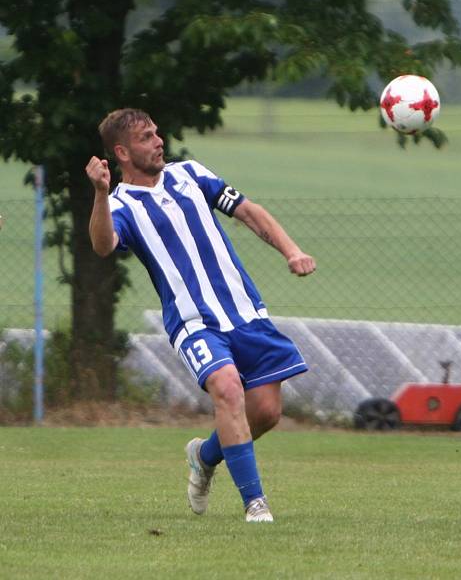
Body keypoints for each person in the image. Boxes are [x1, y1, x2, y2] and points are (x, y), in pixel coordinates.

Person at [86, 108, 316, 523]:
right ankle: (255, 505)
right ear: (121, 151)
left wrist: (292, 250)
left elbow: (247, 211)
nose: (158, 141)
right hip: (193, 323)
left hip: (245, 312)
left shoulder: (190, 173)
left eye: (157, 132)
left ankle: (205, 455)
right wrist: (100, 193)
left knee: (265, 412)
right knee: (227, 388)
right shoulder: (120, 204)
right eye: (145, 137)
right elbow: (104, 246)